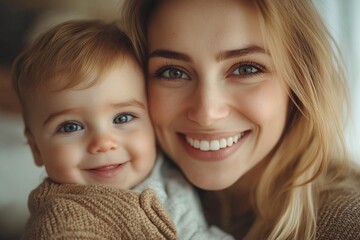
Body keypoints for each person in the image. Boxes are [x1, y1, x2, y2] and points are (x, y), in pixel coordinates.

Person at [120, 0, 360, 239]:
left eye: (246, 69)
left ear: (300, 81)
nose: (207, 113)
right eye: (173, 72)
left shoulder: (347, 222)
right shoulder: (123, 193)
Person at [12, 19, 233, 240]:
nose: (103, 143)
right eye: (71, 127)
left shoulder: (165, 161)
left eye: (122, 118)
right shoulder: (64, 219)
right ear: (36, 148)